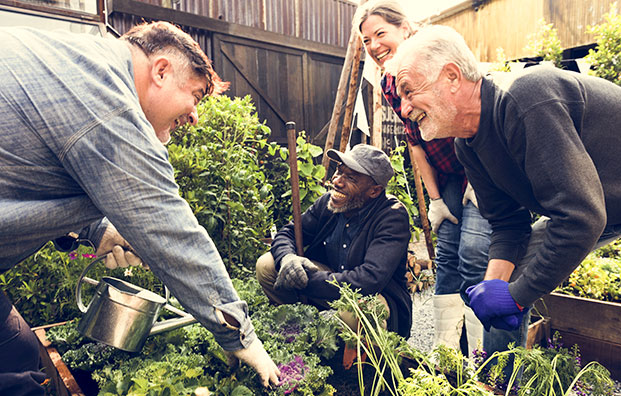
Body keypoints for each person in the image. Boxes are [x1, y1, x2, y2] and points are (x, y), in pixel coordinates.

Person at [0, 22, 280, 394]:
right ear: (160, 70)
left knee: (18, 350)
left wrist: (98, 230)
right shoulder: (108, 99)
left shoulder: (81, 64)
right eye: (195, 95)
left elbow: (30, 173)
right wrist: (242, 339)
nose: (195, 116)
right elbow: (170, 229)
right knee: (23, 386)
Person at [385, 25, 621, 342]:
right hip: (601, 206)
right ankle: (498, 380)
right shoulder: (467, 146)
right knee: (511, 272)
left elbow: (581, 218)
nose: (404, 108)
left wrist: (515, 296)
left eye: (408, 91)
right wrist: (494, 289)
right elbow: (507, 223)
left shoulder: (526, 99)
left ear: (451, 76)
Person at [353, 0, 496, 356]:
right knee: (447, 253)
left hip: (482, 168)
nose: (373, 46)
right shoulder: (391, 82)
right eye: (366, 40)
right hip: (448, 172)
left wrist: (479, 180)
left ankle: (484, 356)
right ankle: (447, 353)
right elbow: (415, 141)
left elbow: (475, 118)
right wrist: (434, 199)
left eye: (380, 34)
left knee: (475, 252)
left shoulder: (435, 53)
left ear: (405, 28)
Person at [256, 144, 413, 338]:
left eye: (350, 178)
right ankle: (298, 332)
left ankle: (363, 362)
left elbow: (368, 280)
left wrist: (305, 280)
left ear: (374, 191)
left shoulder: (392, 217)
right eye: (338, 172)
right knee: (267, 265)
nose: (337, 182)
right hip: (332, 283)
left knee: (354, 311)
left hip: (375, 298)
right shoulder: (329, 203)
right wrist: (288, 259)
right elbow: (288, 232)